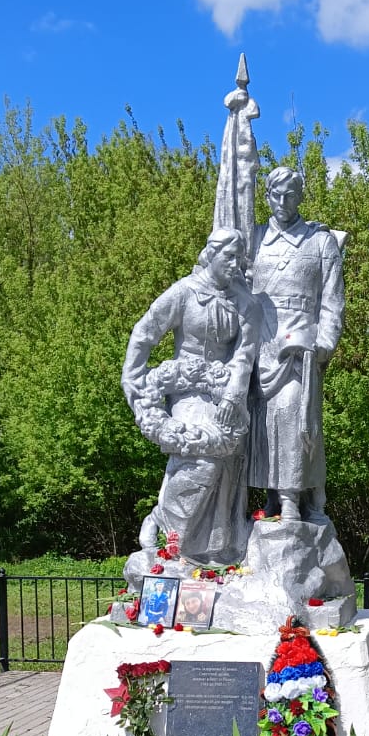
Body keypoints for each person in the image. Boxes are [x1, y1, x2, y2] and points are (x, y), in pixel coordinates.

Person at [121, 228, 258, 568]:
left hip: (224, 391)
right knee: (202, 460)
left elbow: (245, 353)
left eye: (239, 259)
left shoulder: (242, 301)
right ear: (211, 255)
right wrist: (133, 379)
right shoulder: (185, 291)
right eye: (229, 257)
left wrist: (234, 392)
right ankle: (167, 528)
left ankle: (212, 553)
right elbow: (145, 331)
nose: (235, 265)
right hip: (186, 390)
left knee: (228, 465)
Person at [248, 166, 345, 523]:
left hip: (300, 345)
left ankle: (291, 497)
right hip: (260, 345)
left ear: (300, 196)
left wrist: (323, 345)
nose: (283, 201)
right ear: (266, 196)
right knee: (261, 424)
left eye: (290, 194)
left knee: (292, 413)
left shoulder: (320, 241)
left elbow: (332, 302)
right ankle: (271, 497)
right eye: (276, 194)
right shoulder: (254, 238)